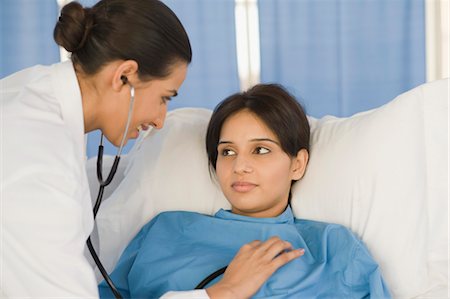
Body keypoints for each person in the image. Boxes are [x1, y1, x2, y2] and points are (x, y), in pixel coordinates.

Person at [1, 1, 300, 298]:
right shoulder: (38, 162)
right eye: (164, 97)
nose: (159, 121)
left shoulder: (29, 95)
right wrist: (223, 293)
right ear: (124, 76)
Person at [98, 84, 392, 298]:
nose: (240, 166)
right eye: (227, 152)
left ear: (297, 164)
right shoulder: (164, 231)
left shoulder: (332, 249)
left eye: (260, 150)